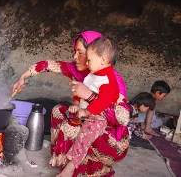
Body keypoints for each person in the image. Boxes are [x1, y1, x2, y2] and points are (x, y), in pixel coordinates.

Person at [12, 31, 130, 176]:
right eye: (74, 52)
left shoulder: (111, 79)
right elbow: (49, 65)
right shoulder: (78, 70)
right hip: (89, 120)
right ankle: (63, 161)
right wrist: (23, 77)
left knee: (71, 126)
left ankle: (84, 168)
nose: (75, 57)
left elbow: (123, 118)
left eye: (80, 52)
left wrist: (90, 95)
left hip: (110, 140)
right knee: (58, 111)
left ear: (97, 56)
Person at [66, 36, 121, 170]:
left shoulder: (108, 80)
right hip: (86, 114)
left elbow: (103, 102)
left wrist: (85, 112)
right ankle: (63, 157)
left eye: (89, 60)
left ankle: (71, 167)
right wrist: (76, 105)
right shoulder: (93, 73)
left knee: (85, 135)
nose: (87, 63)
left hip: (99, 118)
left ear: (103, 60)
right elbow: (82, 90)